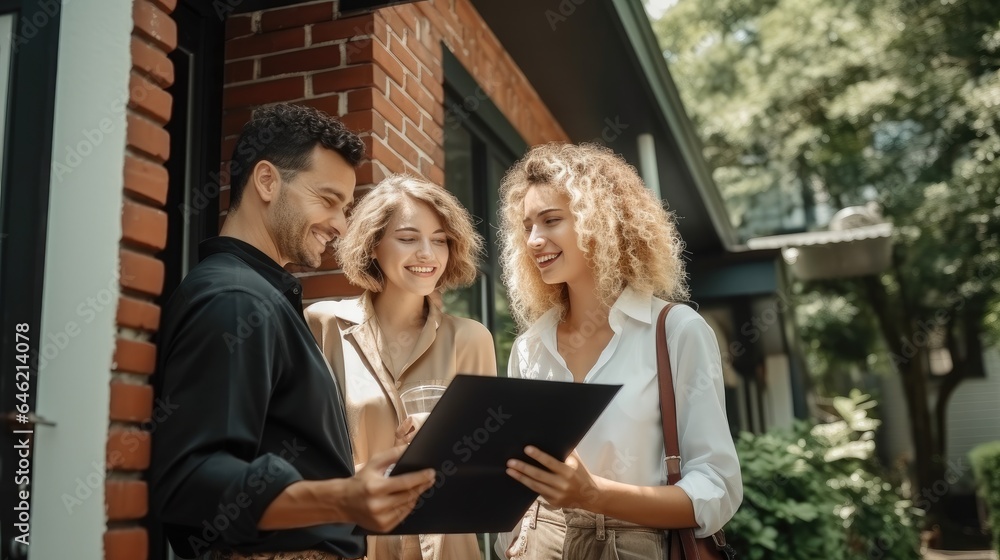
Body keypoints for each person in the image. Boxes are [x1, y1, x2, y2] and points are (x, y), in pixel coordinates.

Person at [150, 104, 435, 560]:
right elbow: (191, 481)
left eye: (345, 208)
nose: (341, 225)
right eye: (327, 200)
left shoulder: (257, 296)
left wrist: (357, 490)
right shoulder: (236, 300)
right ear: (267, 181)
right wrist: (341, 499)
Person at [495, 143, 743, 558]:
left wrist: (593, 494)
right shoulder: (529, 347)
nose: (534, 240)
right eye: (527, 226)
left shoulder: (675, 331)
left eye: (551, 221)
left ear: (600, 222)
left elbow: (716, 489)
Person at [305, 175, 498, 560]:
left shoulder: (473, 339)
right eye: (408, 238)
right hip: (355, 547)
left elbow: (489, 472)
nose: (428, 253)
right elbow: (303, 456)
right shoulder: (323, 324)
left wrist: (445, 441)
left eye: (440, 240)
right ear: (374, 245)